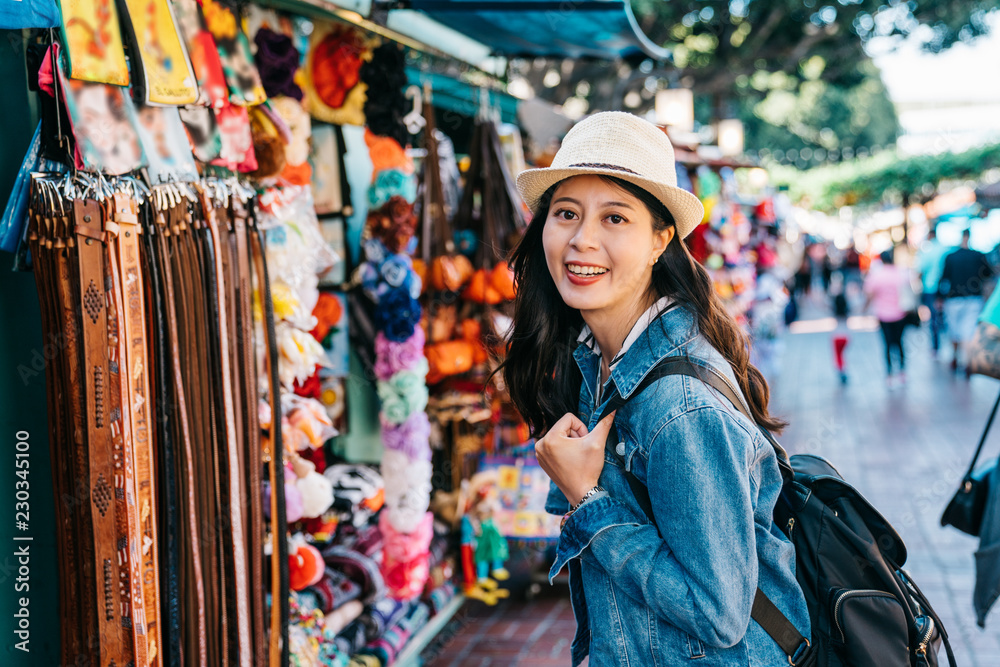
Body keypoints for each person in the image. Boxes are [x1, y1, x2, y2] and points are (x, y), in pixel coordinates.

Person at [501, 112, 810, 666]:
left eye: (615, 218)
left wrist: (588, 501)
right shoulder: (599, 361)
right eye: (565, 213)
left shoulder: (679, 407)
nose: (581, 240)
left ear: (659, 241)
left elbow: (717, 613)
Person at [939, 228, 994, 375]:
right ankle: (967, 362)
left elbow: (944, 279)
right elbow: (988, 275)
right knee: (968, 331)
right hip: (973, 298)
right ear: (969, 237)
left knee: (954, 330)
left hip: (954, 299)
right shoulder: (978, 256)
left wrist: (939, 298)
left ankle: (956, 357)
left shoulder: (950, 257)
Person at [863, 249, 910, 386]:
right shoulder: (901, 273)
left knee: (887, 344)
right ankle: (902, 372)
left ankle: (889, 374)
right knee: (900, 342)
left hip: (883, 316)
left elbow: (869, 294)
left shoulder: (877, 275)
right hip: (901, 314)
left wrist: (863, 309)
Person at [915, 227, 949, 356]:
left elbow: (920, 269)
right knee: (943, 316)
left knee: (933, 318)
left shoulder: (927, 251)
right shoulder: (944, 249)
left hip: (930, 288)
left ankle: (936, 346)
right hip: (944, 288)